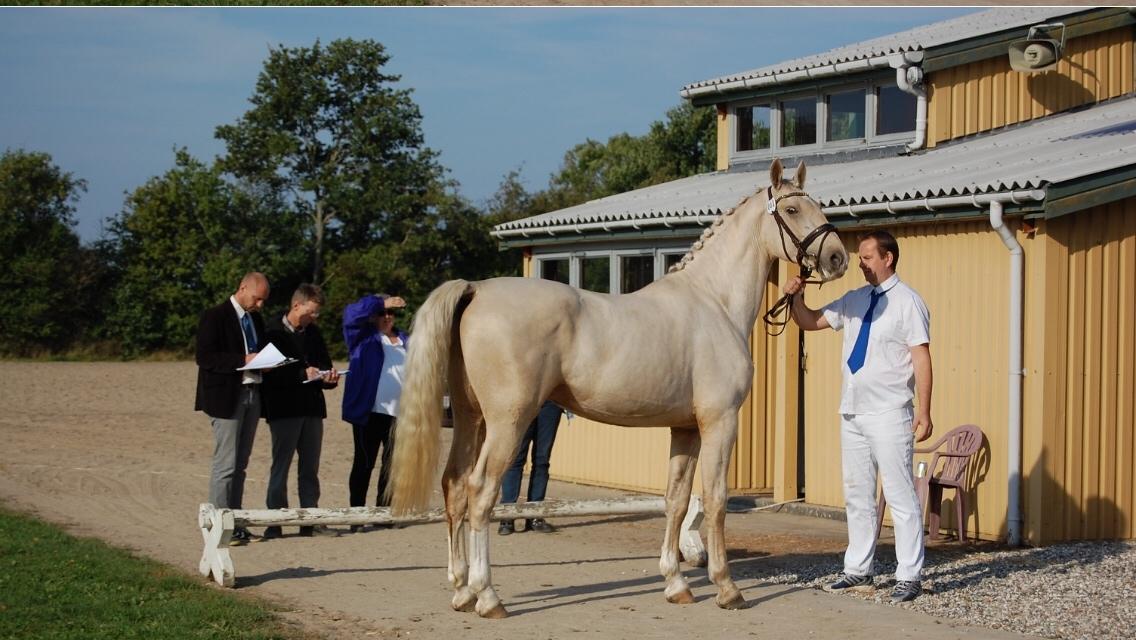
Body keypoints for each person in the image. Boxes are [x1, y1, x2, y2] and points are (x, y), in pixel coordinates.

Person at [783, 229, 933, 603]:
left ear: (888, 258)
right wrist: (795, 297)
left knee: (899, 496)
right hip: (852, 412)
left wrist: (925, 410)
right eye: (861, 257)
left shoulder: (907, 303)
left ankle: (909, 575)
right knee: (858, 496)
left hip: (890, 412)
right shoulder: (854, 299)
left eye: (867, 257)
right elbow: (811, 321)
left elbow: (921, 358)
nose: (861, 264)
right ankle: (858, 569)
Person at [195, 271, 270, 546]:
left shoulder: (255, 319)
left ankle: (236, 524)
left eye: (263, 301)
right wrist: (243, 359)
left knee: (241, 465)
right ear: (243, 288)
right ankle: (217, 526)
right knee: (225, 465)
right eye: (257, 298)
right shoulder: (214, 316)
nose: (260, 305)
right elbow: (204, 357)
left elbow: (258, 353)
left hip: (253, 393)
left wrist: (266, 362)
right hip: (226, 397)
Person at [261, 284, 341, 539]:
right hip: (284, 409)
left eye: (317, 313)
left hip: (312, 408)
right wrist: (299, 374)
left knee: (310, 467)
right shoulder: (271, 332)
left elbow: (325, 364)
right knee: (280, 466)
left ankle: (311, 520)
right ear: (297, 305)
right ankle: (275, 520)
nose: (315, 317)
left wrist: (329, 376)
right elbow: (268, 372)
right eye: (312, 311)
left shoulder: (314, 333)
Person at [342, 293, 409, 531]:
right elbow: (351, 313)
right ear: (372, 316)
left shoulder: (405, 340)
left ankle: (384, 511)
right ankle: (357, 514)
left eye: (390, 313)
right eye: (382, 313)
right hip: (369, 411)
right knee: (364, 463)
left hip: (399, 414)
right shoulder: (362, 338)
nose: (387, 317)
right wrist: (381, 302)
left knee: (392, 465)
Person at [498, 401, 565, 535]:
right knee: (515, 459)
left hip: (551, 402)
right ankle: (507, 516)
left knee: (542, 461)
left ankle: (535, 515)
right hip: (525, 400)